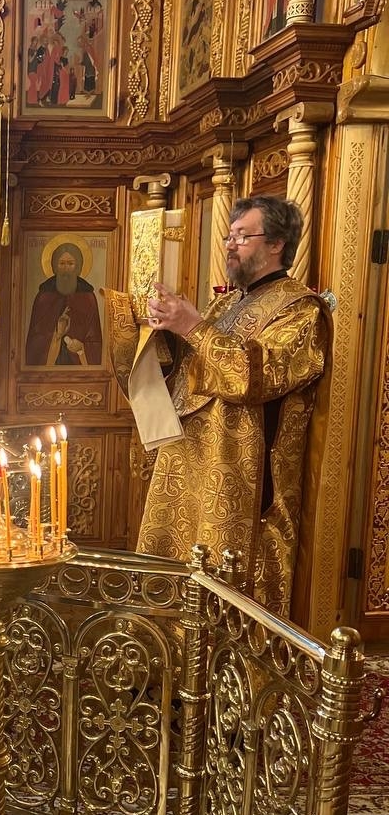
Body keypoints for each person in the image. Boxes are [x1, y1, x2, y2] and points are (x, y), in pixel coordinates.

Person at [106, 196, 330, 621]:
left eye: (243, 236)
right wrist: (155, 332)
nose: (230, 244)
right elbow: (192, 368)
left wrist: (192, 324)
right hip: (188, 461)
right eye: (229, 236)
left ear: (277, 244)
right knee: (174, 571)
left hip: (239, 476)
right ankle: (165, 651)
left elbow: (254, 376)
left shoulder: (300, 309)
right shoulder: (227, 303)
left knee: (220, 584)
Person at [25, 243, 103, 366]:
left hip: (79, 368)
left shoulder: (87, 297)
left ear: (78, 267)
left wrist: (81, 348)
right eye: (61, 263)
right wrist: (56, 334)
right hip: (49, 369)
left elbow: (95, 341)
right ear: (54, 266)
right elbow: (34, 341)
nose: (66, 269)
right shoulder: (44, 297)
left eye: (70, 264)